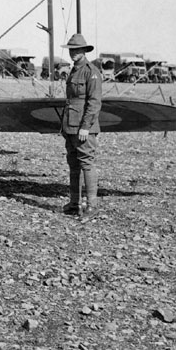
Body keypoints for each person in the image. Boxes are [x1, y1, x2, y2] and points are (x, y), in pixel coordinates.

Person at [59, 33, 102, 218]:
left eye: (77, 50)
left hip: (84, 127)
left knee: (87, 164)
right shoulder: (74, 70)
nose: (73, 53)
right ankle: (75, 203)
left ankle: (91, 206)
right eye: (71, 50)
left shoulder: (91, 72)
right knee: (73, 165)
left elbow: (94, 102)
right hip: (70, 125)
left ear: (84, 50)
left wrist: (85, 126)